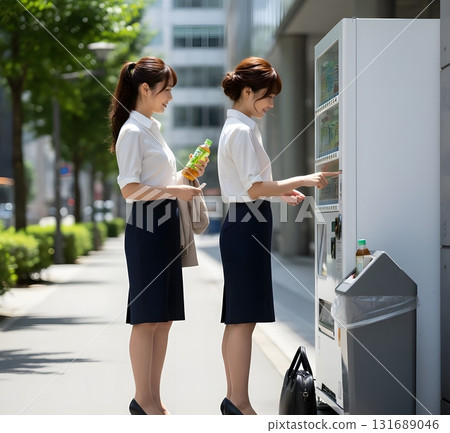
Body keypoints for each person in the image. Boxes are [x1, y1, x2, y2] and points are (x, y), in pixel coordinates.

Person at [217, 57, 335, 415]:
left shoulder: (242, 127)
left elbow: (250, 186)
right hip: (245, 224)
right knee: (242, 318)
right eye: (268, 96)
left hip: (244, 223)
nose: (271, 104)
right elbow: (252, 188)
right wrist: (301, 179)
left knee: (240, 317)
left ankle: (235, 399)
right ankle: (238, 402)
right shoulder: (240, 131)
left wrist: (279, 193)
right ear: (247, 92)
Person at [109, 57, 207, 415]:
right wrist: (173, 191)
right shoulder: (132, 132)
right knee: (146, 318)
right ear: (145, 89)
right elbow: (130, 190)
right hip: (146, 230)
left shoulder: (152, 128)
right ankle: (141, 399)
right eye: (166, 90)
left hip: (165, 228)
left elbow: (158, 181)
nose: (170, 97)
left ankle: (154, 400)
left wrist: (185, 175)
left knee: (163, 319)